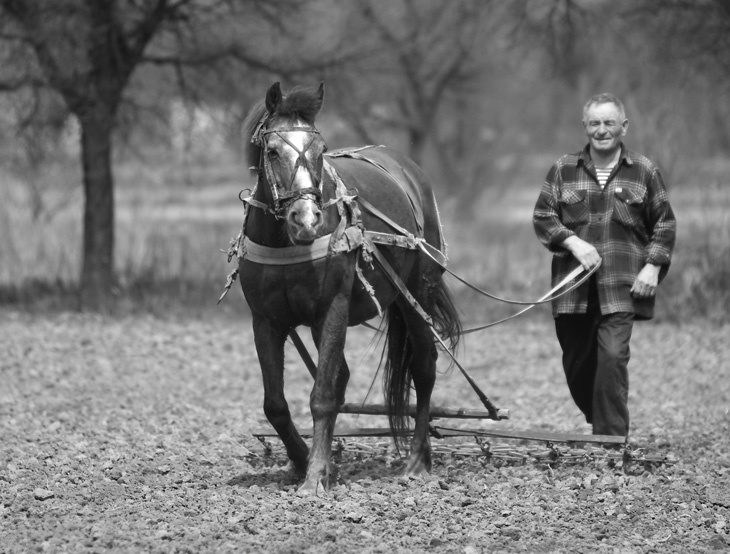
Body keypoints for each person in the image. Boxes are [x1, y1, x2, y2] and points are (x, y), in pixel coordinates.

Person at [533, 93, 676, 437]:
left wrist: (653, 266)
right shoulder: (563, 168)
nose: (602, 130)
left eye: (609, 122)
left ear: (623, 126)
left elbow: (665, 224)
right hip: (572, 289)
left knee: (612, 359)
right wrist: (573, 242)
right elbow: (543, 216)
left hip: (622, 288)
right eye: (595, 123)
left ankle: (611, 444)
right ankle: (601, 420)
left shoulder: (644, 170)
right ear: (585, 126)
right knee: (577, 367)